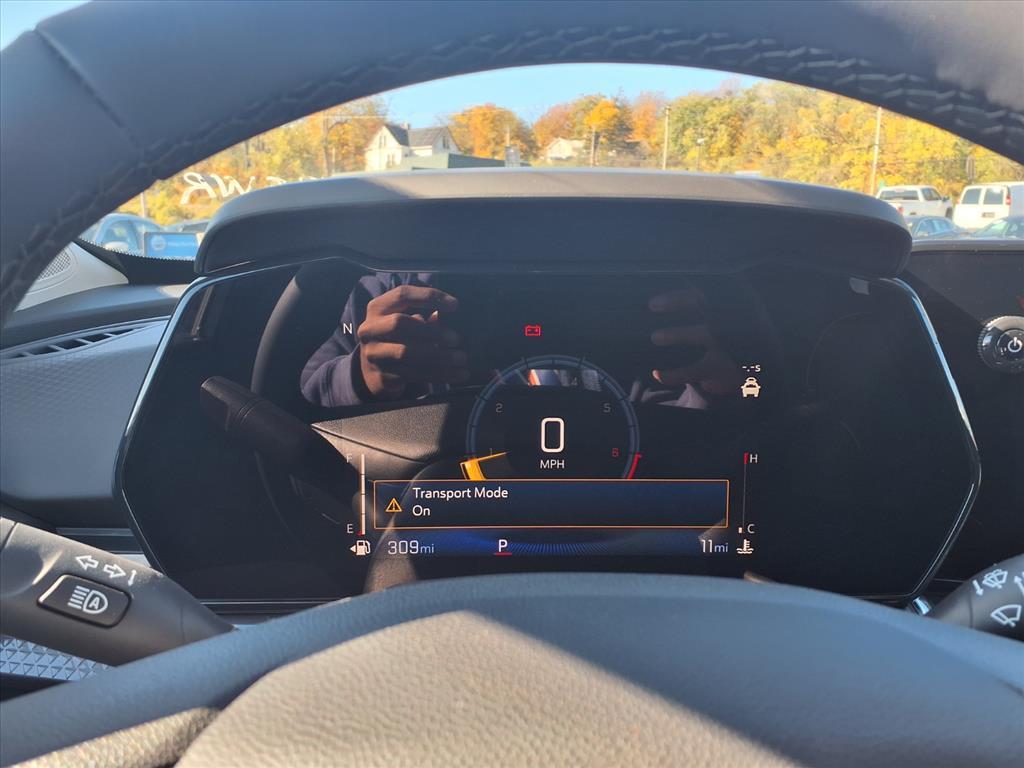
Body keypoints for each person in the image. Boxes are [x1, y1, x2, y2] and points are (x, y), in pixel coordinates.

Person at [301, 272, 740, 408]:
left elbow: (673, 430)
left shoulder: (648, 290)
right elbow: (307, 397)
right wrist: (363, 374)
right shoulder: (392, 291)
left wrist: (722, 385)